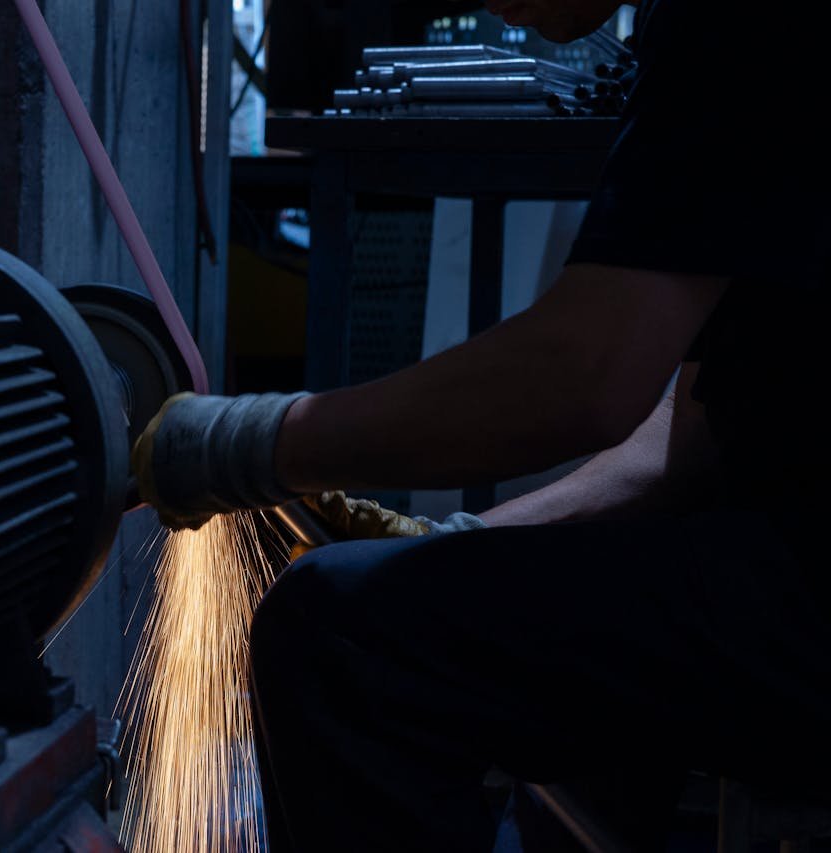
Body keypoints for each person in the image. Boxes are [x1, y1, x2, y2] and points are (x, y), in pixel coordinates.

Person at [132, 0, 831, 849]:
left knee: (339, 638)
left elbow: (587, 375)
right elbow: (689, 435)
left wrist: (241, 445)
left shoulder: (746, 23)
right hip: (788, 558)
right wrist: (462, 535)